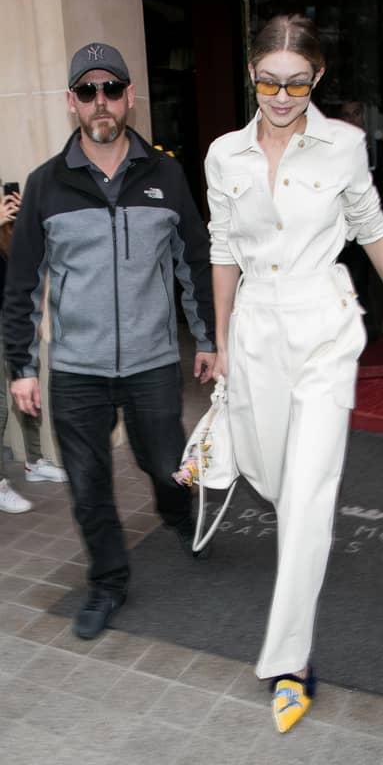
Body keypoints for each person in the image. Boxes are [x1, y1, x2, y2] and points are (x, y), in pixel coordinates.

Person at [205, 14, 383, 733]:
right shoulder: (224, 156)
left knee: (308, 495)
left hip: (326, 322)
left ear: (318, 78)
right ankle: (292, 595)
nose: (282, 95)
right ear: (251, 75)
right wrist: (223, 341)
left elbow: (371, 224)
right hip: (257, 329)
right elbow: (222, 250)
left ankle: (288, 662)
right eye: (269, 80)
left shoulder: (345, 146)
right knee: (271, 476)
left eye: (297, 82)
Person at [3, 43, 216, 639]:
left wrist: (207, 338)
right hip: (76, 368)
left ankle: (177, 512)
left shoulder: (166, 175)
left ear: (128, 98)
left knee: (167, 464)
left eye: (113, 89)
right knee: (89, 485)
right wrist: (22, 366)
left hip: (150, 361)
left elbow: (194, 262)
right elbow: (21, 285)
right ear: (72, 102)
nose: (102, 101)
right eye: (89, 91)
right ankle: (107, 582)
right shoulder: (47, 186)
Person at [0, 193, 66, 514]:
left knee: (29, 393)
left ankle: (35, 462)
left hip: (15, 321)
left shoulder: (13, 230)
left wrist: (31, 221)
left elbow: (31, 270)